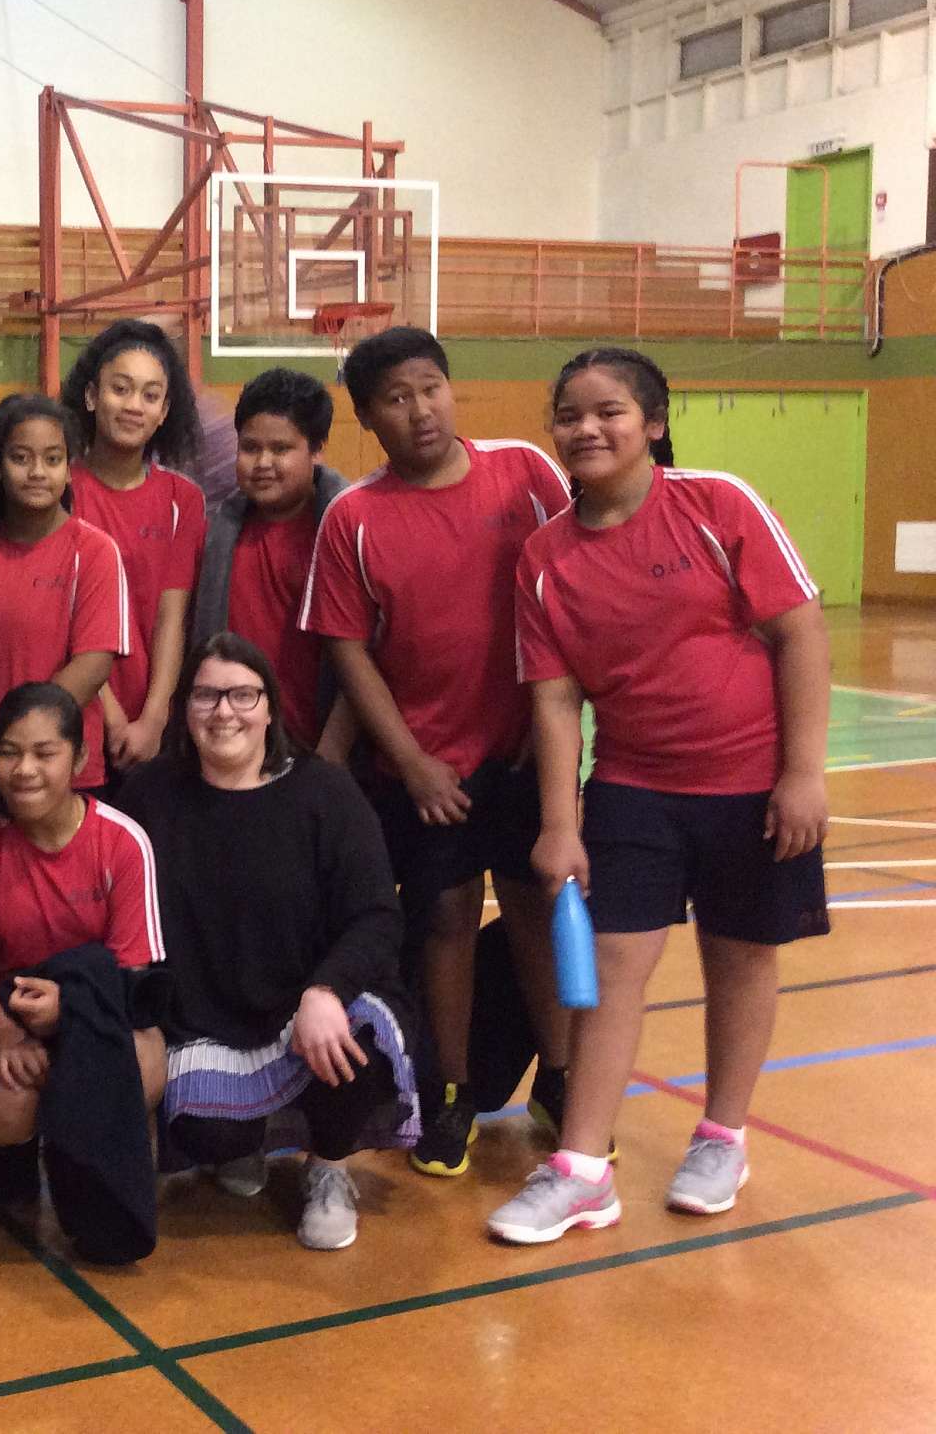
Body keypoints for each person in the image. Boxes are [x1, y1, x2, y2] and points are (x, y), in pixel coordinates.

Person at [488, 348, 829, 1244]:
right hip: (633, 787)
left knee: (741, 957)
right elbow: (554, 699)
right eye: (569, 414)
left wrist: (803, 773)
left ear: (655, 423)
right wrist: (559, 825)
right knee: (610, 970)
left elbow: (800, 632)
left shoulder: (717, 504)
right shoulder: (544, 557)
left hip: (751, 786)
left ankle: (722, 1138)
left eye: (609, 411)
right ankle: (583, 1169)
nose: (587, 428)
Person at [298, 327, 572, 1178]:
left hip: (523, 755)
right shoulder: (354, 517)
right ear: (367, 419)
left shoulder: (526, 473)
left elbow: (575, 585)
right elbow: (349, 652)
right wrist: (411, 762)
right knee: (445, 922)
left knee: (535, 913)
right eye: (396, 399)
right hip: (425, 770)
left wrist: (550, 729)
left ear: (452, 390)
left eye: (430, 389)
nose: (419, 410)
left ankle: (562, 1076)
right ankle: (450, 1090)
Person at [118, 634, 418, 1250]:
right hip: (203, 1018)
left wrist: (325, 990)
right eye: (206, 695)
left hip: (307, 1006)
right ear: (184, 709)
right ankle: (240, 1140)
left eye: (242, 695)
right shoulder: (149, 796)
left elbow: (377, 917)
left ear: (271, 708)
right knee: (205, 1134)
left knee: (354, 1052)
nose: (223, 711)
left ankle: (329, 1167)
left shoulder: (325, 793)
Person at [0, 683, 167, 1221]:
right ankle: (13, 1149)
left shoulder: (123, 842)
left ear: (79, 759)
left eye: (45, 753)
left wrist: (73, 1009)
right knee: (5, 1101)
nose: (25, 770)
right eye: (9, 753)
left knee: (142, 1066)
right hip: (6, 1011)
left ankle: (84, 1155)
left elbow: (132, 969)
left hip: (98, 1008)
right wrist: (3, 1031)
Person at [0, 395, 128, 827]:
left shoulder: (94, 551)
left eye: (52, 459)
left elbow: (92, 664)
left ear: (69, 470)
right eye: (21, 458)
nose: (37, 472)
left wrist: (18, 742)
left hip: (64, 769)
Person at [63, 319, 207, 797]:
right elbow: (66, 619)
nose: (133, 406)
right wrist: (111, 716)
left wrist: (155, 716)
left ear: (164, 411)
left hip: (153, 729)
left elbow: (171, 616)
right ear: (91, 396)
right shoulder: (60, 491)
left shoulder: (182, 500)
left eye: (150, 395)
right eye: (120, 389)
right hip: (77, 717)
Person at [192, 368, 352, 754]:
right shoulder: (215, 534)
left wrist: (332, 753)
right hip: (233, 744)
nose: (262, 462)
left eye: (280, 449)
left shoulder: (345, 531)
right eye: (250, 448)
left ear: (316, 450)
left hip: (320, 750)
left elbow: (369, 656)